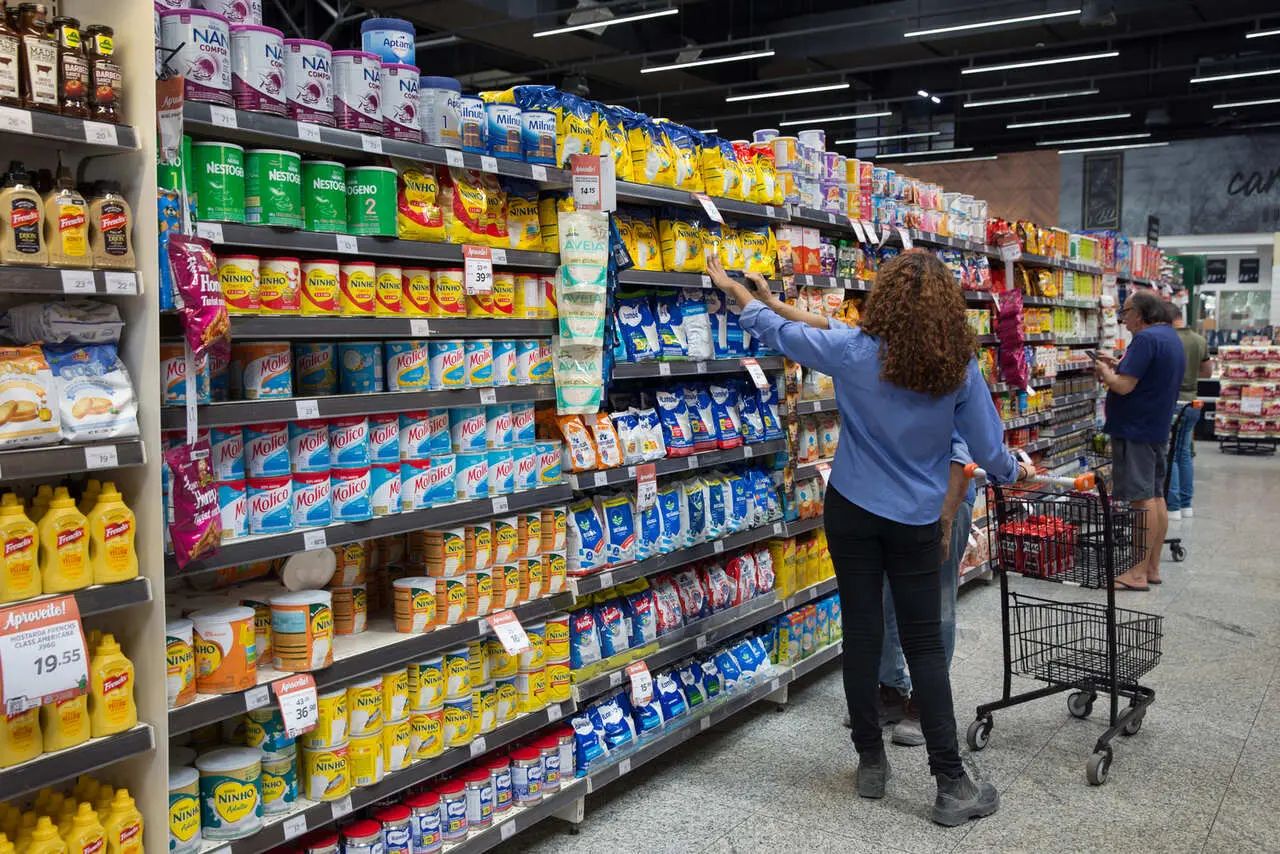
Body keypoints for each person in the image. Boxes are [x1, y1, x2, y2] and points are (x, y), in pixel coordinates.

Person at [706, 252, 1032, 827]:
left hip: (851, 508)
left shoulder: (855, 353)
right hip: (915, 519)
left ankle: (870, 762)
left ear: (883, 301)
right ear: (946, 311)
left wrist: (740, 294)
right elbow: (987, 452)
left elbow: (781, 332)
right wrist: (1013, 472)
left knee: (859, 636)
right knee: (925, 646)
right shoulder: (958, 369)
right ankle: (950, 783)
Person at [878, 435, 976, 746]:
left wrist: (947, 516)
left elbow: (975, 443)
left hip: (946, 493)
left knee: (938, 602)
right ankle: (891, 690)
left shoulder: (959, 386)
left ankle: (926, 701)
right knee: (883, 595)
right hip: (892, 496)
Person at [1094, 290, 1185, 590]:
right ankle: (1152, 567)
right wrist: (1120, 363)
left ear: (1142, 314)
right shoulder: (1169, 337)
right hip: (1156, 426)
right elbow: (1149, 376)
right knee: (1156, 495)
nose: (1124, 318)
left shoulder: (1145, 339)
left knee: (1141, 498)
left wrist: (1106, 373)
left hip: (1136, 428)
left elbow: (1124, 387)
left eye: (1127, 311)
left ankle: (1135, 574)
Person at [1167, 311, 1210, 520]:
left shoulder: (1168, 339)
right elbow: (1207, 372)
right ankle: (1186, 505)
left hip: (1173, 401)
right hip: (1193, 401)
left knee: (1170, 454)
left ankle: (1173, 507)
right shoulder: (1199, 340)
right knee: (1184, 453)